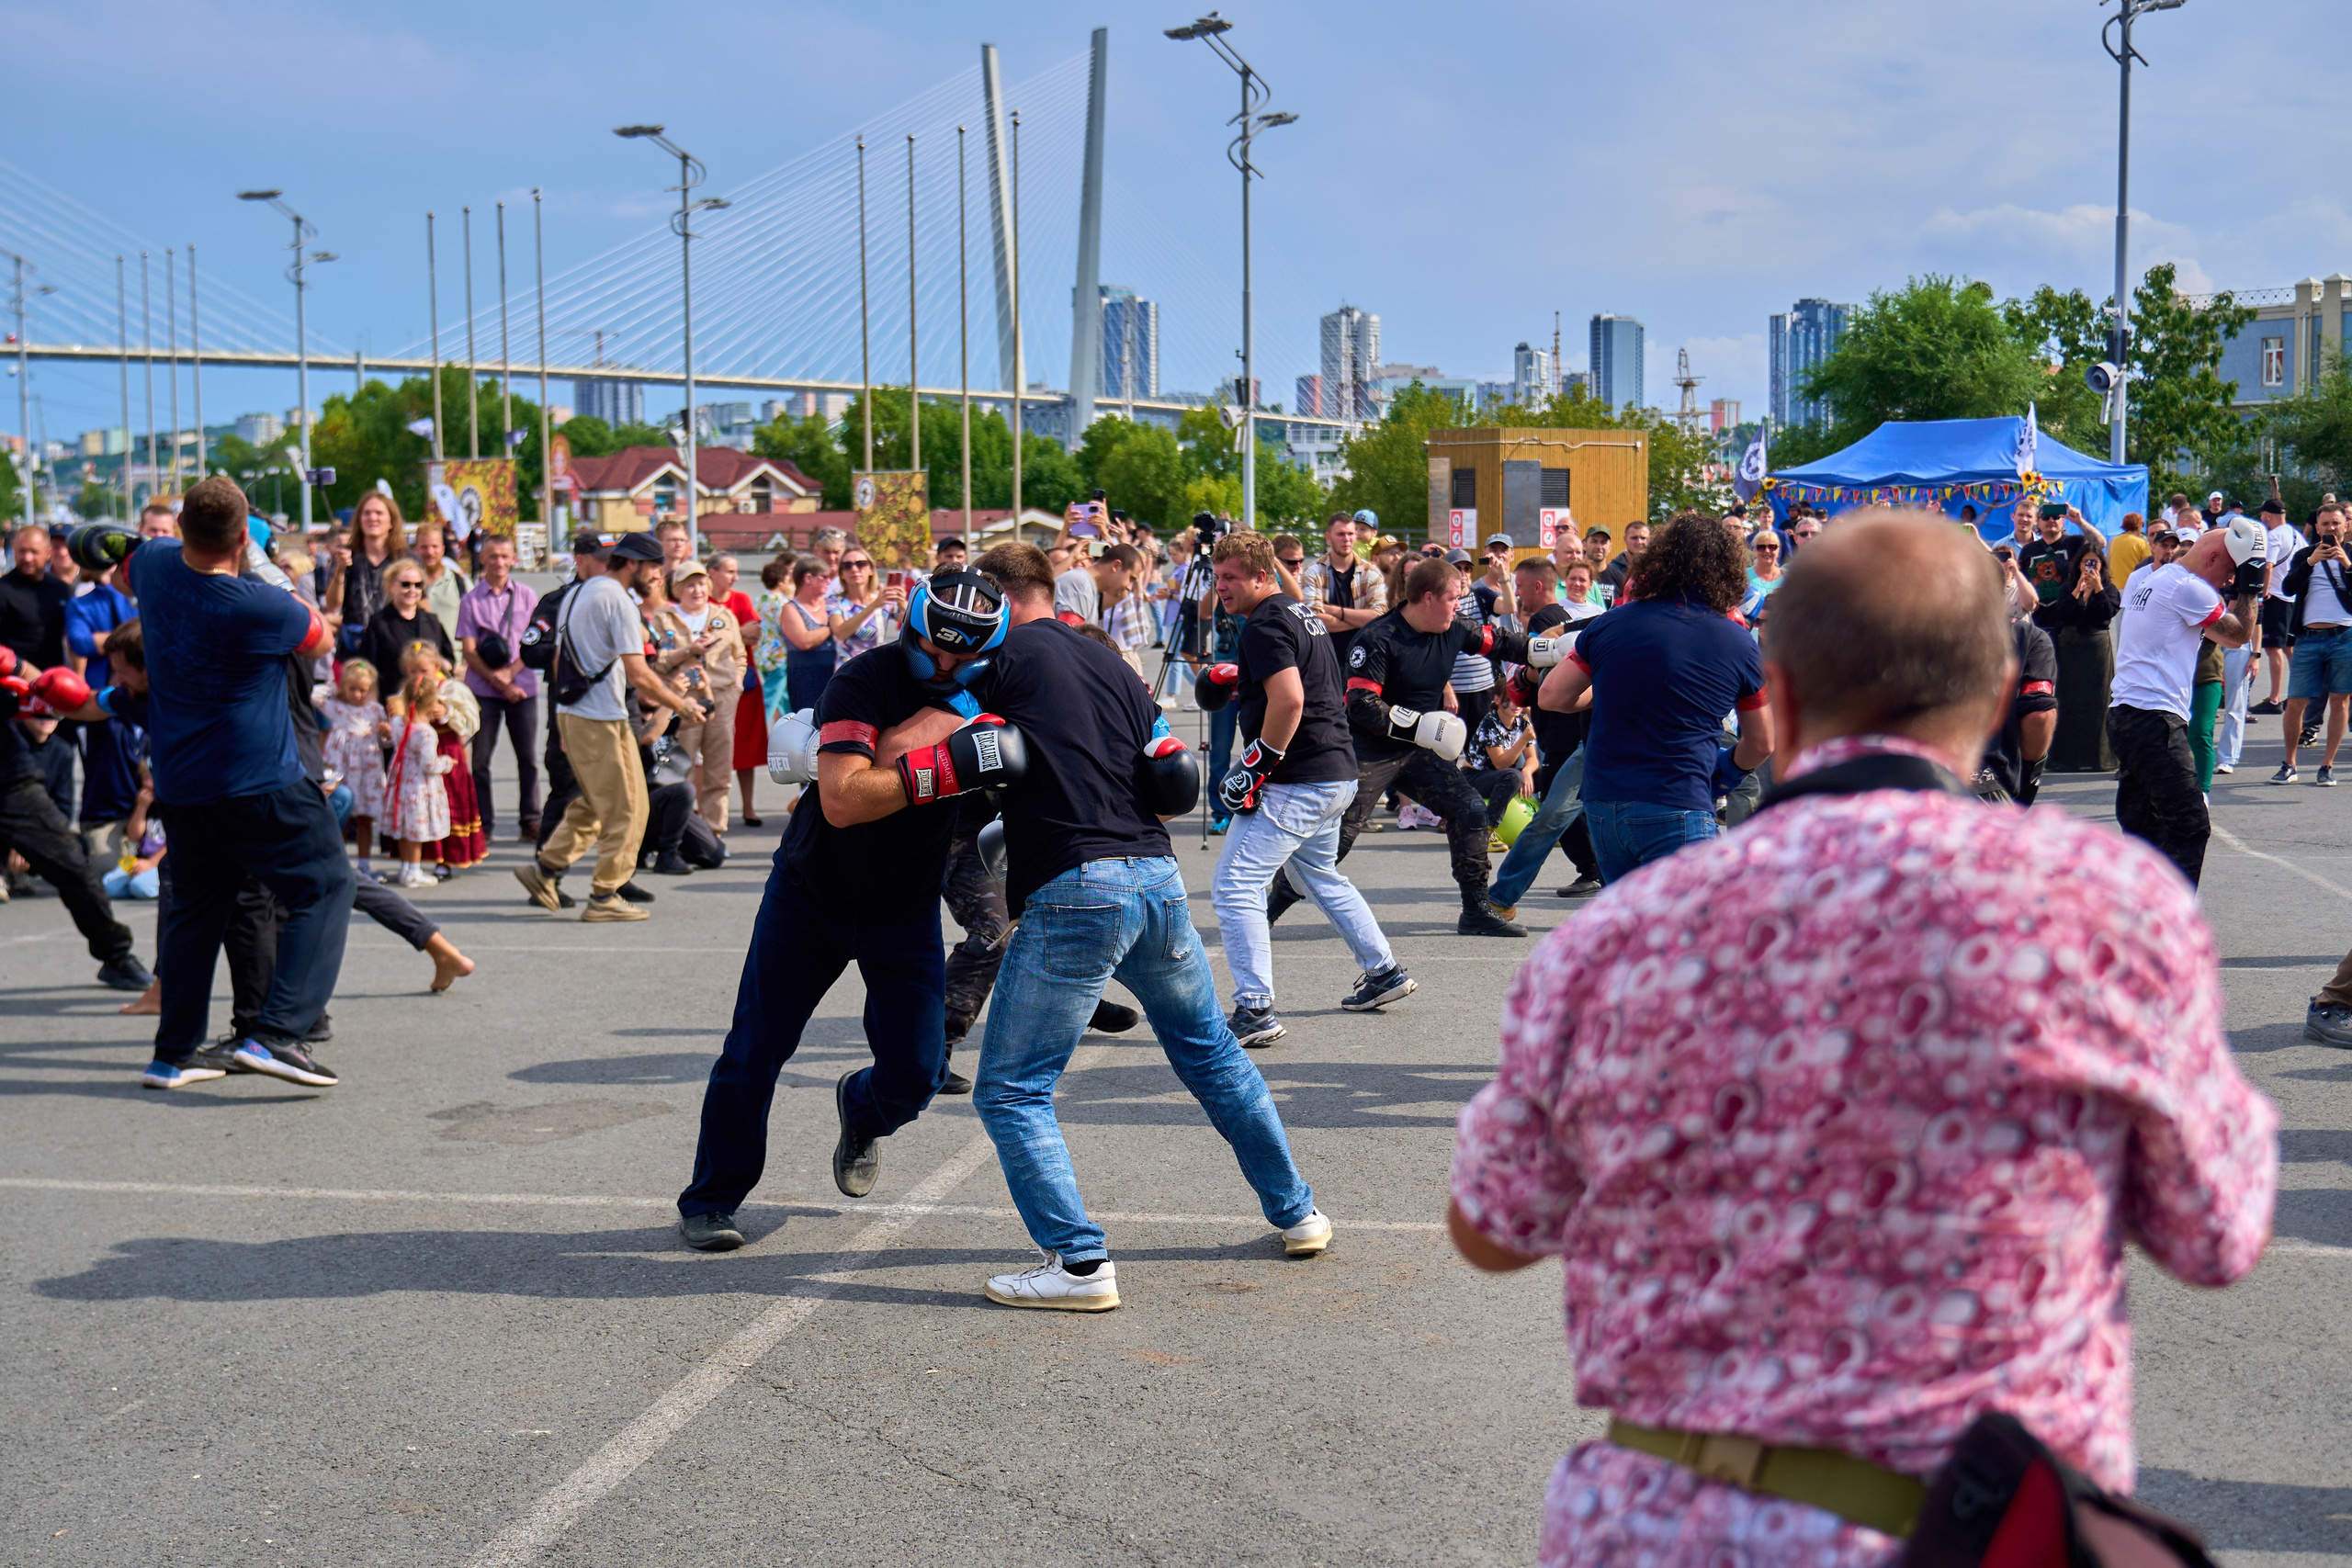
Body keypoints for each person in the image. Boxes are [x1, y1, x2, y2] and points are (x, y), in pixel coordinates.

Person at [1450, 509, 2277, 1568]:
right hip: (1974, 1530)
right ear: (1994, 699)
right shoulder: (2110, 907)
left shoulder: (1616, 935)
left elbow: (1493, 1224)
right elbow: (2215, 1231)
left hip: (1668, 1522)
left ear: (1783, 696)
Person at [962, 540, 1328, 1312]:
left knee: (1011, 1090)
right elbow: (1169, 780)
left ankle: (1078, 1263)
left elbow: (950, 750)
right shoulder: (1109, 661)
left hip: (1076, 884)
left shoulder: (999, 662)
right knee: (1212, 1054)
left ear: (998, 596)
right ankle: (1299, 1212)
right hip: (1154, 874)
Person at [675, 570, 1015, 1251]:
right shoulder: (864, 677)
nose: (942, 666)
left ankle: (861, 1108)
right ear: (910, 627)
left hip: (903, 905)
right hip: (813, 892)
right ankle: (711, 1198)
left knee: (918, 1071)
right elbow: (842, 799)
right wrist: (949, 752)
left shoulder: (999, 686)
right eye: (931, 649)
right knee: (755, 1047)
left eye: (960, 658)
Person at [119, 477, 348, 1089]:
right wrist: (263, 565)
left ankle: (173, 1055)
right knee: (326, 885)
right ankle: (277, 1034)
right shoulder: (260, 603)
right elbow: (321, 636)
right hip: (258, 780)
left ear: (181, 528)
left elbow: (117, 565)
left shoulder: (155, 565)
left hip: (182, 783)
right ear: (244, 536)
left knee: (195, 913)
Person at [1203, 530, 1413, 1049]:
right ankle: (1384, 970)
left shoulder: (1264, 623)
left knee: (1235, 885)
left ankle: (1255, 1009)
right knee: (1318, 874)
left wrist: (1255, 765)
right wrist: (1239, 680)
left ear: (1261, 576)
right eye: (1216, 576)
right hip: (1335, 772)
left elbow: (1291, 700)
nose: (1221, 586)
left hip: (1300, 778)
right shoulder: (1298, 612)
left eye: (1230, 577)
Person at [1290, 553, 1558, 937]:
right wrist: (1419, 726)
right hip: (1371, 750)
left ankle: (1476, 910)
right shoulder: (1378, 638)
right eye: (1453, 598)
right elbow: (1361, 704)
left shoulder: (1454, 627)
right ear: (1428, 597)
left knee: (1469, 809)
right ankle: (1270, 906)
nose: (1458, 605)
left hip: (1419, 752)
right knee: (1340, 837)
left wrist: (1551, 650)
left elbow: (1501, 642)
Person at [1537, 511, 1772, 885]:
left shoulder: (1608, 623)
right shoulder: (1737, 641)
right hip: (1679, 797)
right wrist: (1724, 775)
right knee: (1694, 919)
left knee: (1629, 917)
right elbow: (1762, 742)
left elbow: (1551, 695)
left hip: (1605, 802)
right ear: (1727, 572)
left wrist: (1604, 691)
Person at [514, 532, 708, 921]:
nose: (658, 577)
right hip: (599, 717)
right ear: (632, 563)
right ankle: (604, 895)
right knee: (629, 807)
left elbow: (559, 661)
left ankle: (546, 869)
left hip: (578, 713)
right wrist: (681, 705)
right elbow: (638, 673)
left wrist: (566, 719)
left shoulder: (578, 592)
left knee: (596, 802)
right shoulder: (618, 601)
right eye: (653, 568)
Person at [2109, 514, 2266, 884]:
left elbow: (2222, 635)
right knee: (2190, 825)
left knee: (2143, 830)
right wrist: (2251, 585)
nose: (2230, 580)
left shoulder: (2158, 577)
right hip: (2153, 720)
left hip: (2126, 715)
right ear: (2212, 558)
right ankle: (2172, 917)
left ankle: (2136, 910)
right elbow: (2239, 635)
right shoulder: (2188, 588)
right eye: (2231, 570)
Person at [1487, 558, 1604, 917]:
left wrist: (1525, 678)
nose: (1518, 597)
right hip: (1591, 738)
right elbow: (1563, 651)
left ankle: (1608, 884)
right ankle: (1500, 897)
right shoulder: (1600, 621)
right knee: (1555, 814)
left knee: (1571, 816)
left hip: (1587, 737)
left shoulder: (1549, 620)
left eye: (1521, 588)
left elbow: (1552, 683)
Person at [646, 558, 745, 835]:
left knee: (719, 769)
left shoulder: (724, 615)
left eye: (701, 584)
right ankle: (680, 833)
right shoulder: (664, 618)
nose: (697, 590)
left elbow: (739, 655)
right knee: (680, 767)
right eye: (689, 585)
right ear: (677, 589)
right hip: (681, 699)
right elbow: (656, 663)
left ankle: (714, 832)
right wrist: (688, 651)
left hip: (721, 698)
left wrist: (737, 682)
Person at [456, 533, 541, 840]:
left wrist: (512, 673)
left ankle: (530, 820)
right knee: (480, 759)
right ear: (482, 558)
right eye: (493, 556)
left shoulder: (527, 596)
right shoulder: (471, 600)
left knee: (528, 758)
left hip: (523, 684)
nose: (499, 562)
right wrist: (500, 682)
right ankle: (484, 823)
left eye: (505, 556)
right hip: (484, 688)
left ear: (514, 559)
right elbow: (469, 650)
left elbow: (535, 641)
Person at [2275, 502, 2352, 784]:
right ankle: (2289, 764)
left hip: (2344, 636)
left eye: (2336, 523)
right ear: (2317, 527)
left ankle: (2327, 765)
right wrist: (2310, 563)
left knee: (2339, 701)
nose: (2331, 528)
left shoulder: (2351, 553)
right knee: (2296, 702)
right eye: (2325, 524)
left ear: (2346, 525)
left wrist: (2347, 565)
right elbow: (2287, 588)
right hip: (2308, 638)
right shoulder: (2304, 555)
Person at [2043, 542, 2120, 773]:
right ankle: (2067, 759)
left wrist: (2098, 589)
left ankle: (2099, 758)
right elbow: (2061, 613)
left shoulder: (2109, 589)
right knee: (2069, 700)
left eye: (2094, 562)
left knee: (2099, 702)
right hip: (2070, 648)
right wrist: (2078, 590)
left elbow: (2107, 613)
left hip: (2096, 648)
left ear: (2101, 565)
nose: (2090, 567)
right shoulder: (2068, 587)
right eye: (2086, 562)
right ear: (2078, 565)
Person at [707, 553, 769, 828]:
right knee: (709, 750)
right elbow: (699, 639)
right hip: (710, 684)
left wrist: (721, 638)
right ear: (712, 572)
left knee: (746, 748)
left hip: (744, 683)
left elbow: (754, 634)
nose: (735, 577)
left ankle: (748, 807)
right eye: (729, 571)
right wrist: (736, 635)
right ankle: (706, 810)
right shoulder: (702, 602)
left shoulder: (741, 599)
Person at [380, 671, 455, 888]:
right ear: (431, 703)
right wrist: (447, 763)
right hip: (419, 787)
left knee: (405, 828)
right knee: (415, 831)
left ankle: (406, 867)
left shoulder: (398, 723)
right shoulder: (426, 733)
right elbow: (429, 765)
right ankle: (413, 871)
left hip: (400, 783)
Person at [319, 660, 389, 880]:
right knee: (341, 815)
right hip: (343, 769)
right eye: (352, 689)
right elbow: (314, 696)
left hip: (367, 772)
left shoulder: (375, 710)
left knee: (365, 818)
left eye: (363, 690)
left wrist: (386, 733)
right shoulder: (337, 707)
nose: (357, 695)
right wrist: (333, 686)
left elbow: (386, 742)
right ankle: (339, 863)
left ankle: (364, 864)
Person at [1300, 512, 1388, 661]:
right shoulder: (1314, 572)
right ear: (1328, 537)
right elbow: (1313, 621)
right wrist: (1361, 621)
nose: (1346, 539)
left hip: (1365, 658)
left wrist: (1335, 611)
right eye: (1340, 534)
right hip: (1325, 658)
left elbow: (1379, 617)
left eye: (1350, 534)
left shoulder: (1371, 572)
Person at [326, 491, 404, 655]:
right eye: (366, 513)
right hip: (354, 648)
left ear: (391, 522)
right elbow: (332, 605)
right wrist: (340, 571)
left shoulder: (404, 559)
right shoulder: (346, 556)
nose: (372, 518)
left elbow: (421, 606)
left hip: (394, 646)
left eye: (379, 513)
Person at [357, 559, 454, 682]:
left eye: (418, 585)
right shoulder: (379, 623)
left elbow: (449, 659)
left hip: (430, 691)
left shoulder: (432, 621)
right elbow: (366, 664)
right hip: (392, 691)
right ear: (391, 586)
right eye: (405, 584)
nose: (412, 590)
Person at [0, 524, 70, 669]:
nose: (27, 558)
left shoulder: (60, 589)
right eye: (22, 551)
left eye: (34, 552)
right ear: (14, 551)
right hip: (14, 678)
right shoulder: (3, 590)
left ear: (48, 553)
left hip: (53, 677)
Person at [778, 554, 840, 714]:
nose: (829, 581)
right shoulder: (791, 609)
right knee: (809, 720)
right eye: (824, 577)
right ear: (808, 578)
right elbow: (804, 641)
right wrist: (832, 627)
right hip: (805, 676)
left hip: (833, 672)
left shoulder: (830, 604)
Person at [826, 546, 901, 661]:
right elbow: (840, 633)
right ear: (841, 574)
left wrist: (902, 602)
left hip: (876, 667)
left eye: (860, 564)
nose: (854, 569)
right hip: (848, 668)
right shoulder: (835, 601)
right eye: (847, 565)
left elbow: (912, 622)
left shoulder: (883, 598)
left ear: (871, 570)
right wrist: (873, 606)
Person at [1094, 544, 1153, 676]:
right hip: (1103, 654)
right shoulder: (1099, 595)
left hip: (1125, 655)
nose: (1128, 585)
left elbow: (1136, 589)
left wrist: (1123, 543)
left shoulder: (1127, 598)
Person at [411, 520, 469, 637]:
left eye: (435, 546)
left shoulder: (461, 583)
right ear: (416, 549)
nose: (430, 552)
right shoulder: (406, 584)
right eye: (424, 547)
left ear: (443, 549)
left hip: (452, 649)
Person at [1597, 520, 1647, 598]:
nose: (1639, 542)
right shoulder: (1613, 570)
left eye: (1643, 538)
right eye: (1634, 538)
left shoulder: (1656, 568)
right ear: (1625, 539)